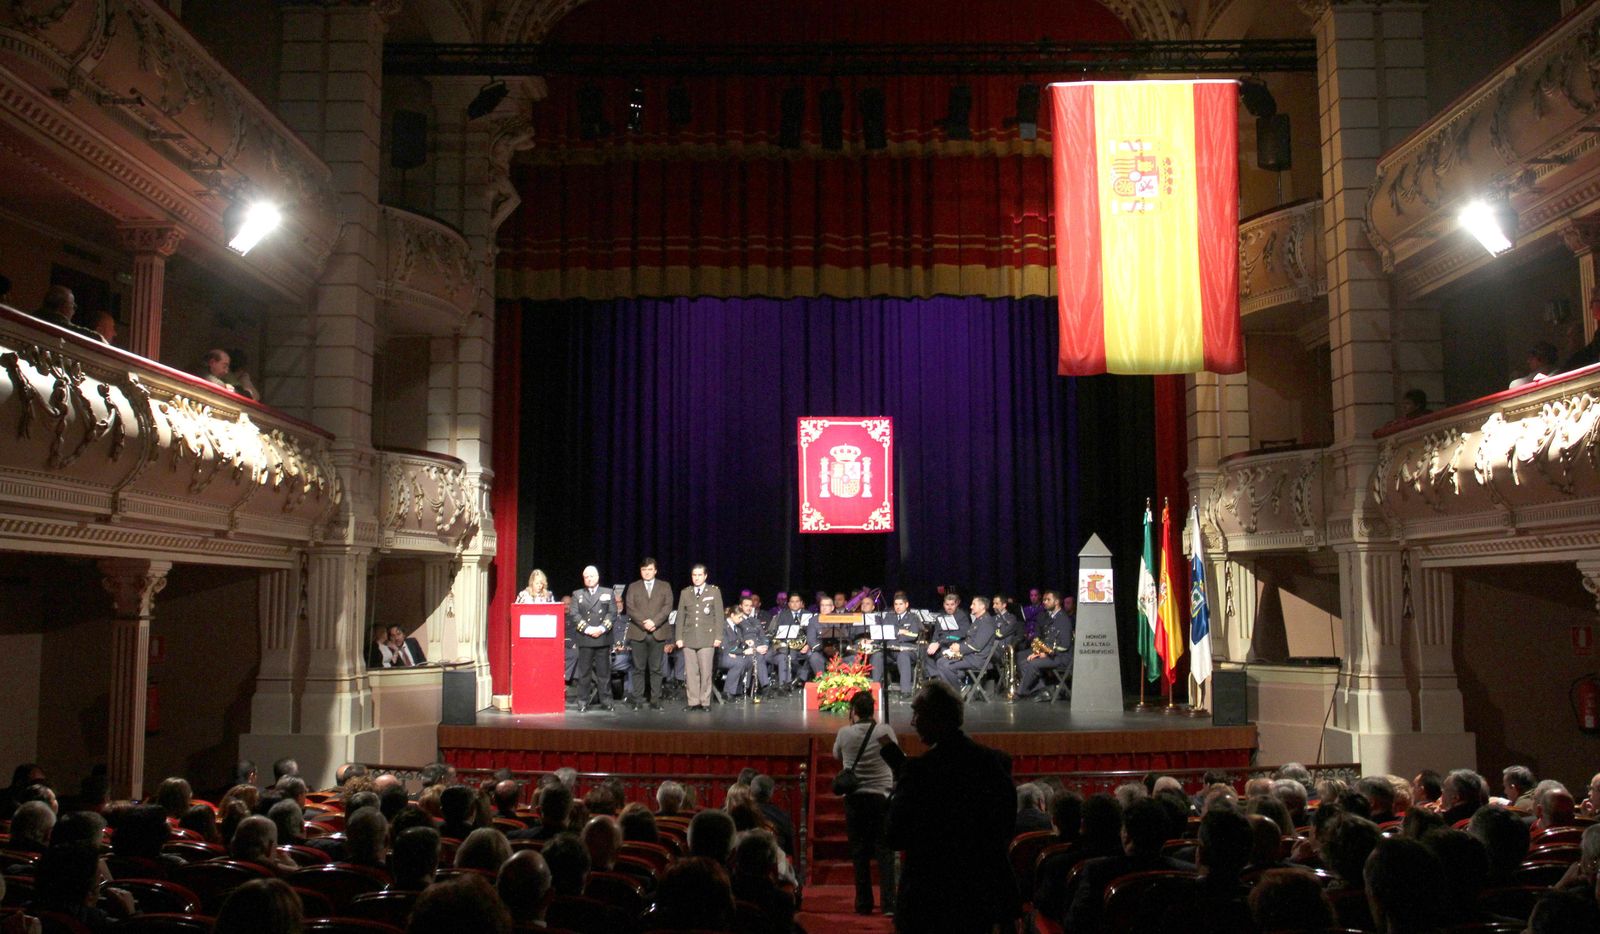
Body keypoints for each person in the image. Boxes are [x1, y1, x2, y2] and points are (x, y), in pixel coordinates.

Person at [885, 680, 1019, 933]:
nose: (913, 722)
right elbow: (1004, 826)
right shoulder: (994, 763)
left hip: (928, 898)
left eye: (918, 714)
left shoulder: (919, 771)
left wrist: (900, 786)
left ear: (938, 718)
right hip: (979, 895)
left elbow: (894, 835)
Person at [833, 689, 898, 916]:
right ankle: (889, 904)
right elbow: (895, 755)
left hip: (855, 798)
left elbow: (837, 756)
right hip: (881, 796)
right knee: (884, 850)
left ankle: (863, 903)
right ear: (873, 710)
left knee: (859, 851)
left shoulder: (844, 733)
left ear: (854, 712)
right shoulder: (882, 731)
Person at [624, 557, 673, 710]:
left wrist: (654, 622)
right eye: (644, 570)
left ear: (655, 571)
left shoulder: (665, 586)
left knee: (656, 669)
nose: (647, 572)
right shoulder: (633, 586)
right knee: (638, 668)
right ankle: (638, 700)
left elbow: (667, 607)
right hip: (638, 632)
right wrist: (644, 622)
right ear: (641, 571)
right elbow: (630, 608)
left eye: (650, 569)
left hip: (658, 632)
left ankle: (655, 700)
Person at [568, 565, 616, 712]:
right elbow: (574, 614)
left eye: (591, 576)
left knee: (604, 673)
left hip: (602, 637)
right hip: (585, 637)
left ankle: (606, 701)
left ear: (598, 577)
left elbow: (612, 613)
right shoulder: (577, 594)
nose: (589, 579)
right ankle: (582, 701)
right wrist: (588, 629)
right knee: (584, 674)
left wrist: (601, 629)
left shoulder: (608, 592)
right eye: (586, 577)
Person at [676, 563, 723, 711]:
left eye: (699, 575)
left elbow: (719, 616)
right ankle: (693, 701)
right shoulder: (685, 592)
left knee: (706, 671)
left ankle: (705, 702)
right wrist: (678, 637)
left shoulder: (713, 591)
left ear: (705, 576)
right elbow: (681, 616)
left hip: (707, 638)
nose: (696, 578)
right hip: (689, 637)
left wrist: (718, 636)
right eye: (694, 575)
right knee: (691, 672)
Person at [1019, 590, 1075, 701]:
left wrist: (1045, 653)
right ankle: (1043, 690)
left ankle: (1021, 693)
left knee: (1032, 664)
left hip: (1061, 657)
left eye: (1048, 600)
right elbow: (1046, 639)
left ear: (1057, 601)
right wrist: (1038, 652)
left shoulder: (1063, 619)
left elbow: (1064, 645)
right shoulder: (1050, 617)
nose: (1045, 602)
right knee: (1023, 662)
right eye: (1044, 600)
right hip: (1051, 654)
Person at [933, 594, 997, 690]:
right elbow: (969, 640)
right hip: (969, 655)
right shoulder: (979, 620)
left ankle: (956, 691)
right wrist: (956, 646)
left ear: (982, 606)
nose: (971, 606)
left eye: (973, 604)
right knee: (941, 662)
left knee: (946, 665)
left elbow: (977, 646)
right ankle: (959, 686)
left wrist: (959, 648)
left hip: (977, 659)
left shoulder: (986, 622)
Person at [873, 591, 922, 695]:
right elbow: (884, 632)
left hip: (907, 650)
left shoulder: (913, 617)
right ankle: (875, 690)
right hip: (890, 649)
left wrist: (893, 634)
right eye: (896, 604)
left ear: (906, 604)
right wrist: (899, 631)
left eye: (900, 604)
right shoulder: (889, 617)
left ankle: (906, 691)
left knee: (903, 656)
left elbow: (913, 635)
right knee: (877, 655)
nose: (898, 607)